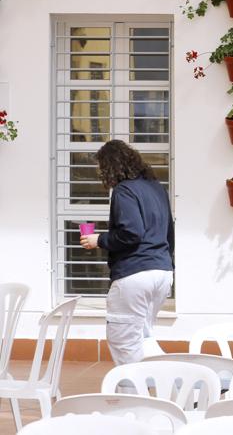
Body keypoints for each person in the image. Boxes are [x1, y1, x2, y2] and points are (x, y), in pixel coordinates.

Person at [79, 140, 174, 365]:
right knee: (144, 337)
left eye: (102, 168)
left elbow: (131, 233)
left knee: (125, 344)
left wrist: (98, 240)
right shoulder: (156, 187)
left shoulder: (124, 190)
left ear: (112, 165)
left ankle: (133, 398)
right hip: (162, 272)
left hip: (135, 275)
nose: (101, 173)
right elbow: (169, 231)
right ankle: (180, 383)